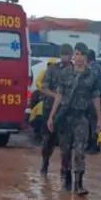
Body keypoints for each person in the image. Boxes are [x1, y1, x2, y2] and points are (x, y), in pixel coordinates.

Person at [47, 42, 101, 195]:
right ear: (74, 55)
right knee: (65, 151)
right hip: (65, 117)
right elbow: (59, 95)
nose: (79, 58)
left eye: (82, 55)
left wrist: (99, 119)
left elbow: (96, 97)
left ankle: (79, 183)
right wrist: (52, 116)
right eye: (77, 54)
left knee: (79, 151)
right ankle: (66, 179)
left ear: (86, 57)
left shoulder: (92, 75)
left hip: (81, 118)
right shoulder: (64, 73)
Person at [39, 44, 74, 176]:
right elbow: (44, 87)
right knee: (48, 140)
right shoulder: (52, 70)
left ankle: (64, 170)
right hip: (50, 109)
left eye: (67, 54)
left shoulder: (75, 71)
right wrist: (57, 96)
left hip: (67, 112)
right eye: (63, 54)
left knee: (67, 143)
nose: (65, 56)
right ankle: (45, 162)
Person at [86, 49, 101, 153]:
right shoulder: (94, 67)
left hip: (94, 99)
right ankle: (89, 144)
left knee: (93, 122)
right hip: (90, 99)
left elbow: (94, 83)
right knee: (88, 122)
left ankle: (93, 145)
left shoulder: (95, 68)